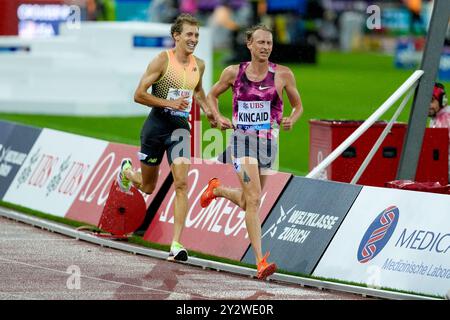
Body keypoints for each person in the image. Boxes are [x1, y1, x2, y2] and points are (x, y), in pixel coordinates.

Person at [201, 24, 303, 280]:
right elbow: (211, 96)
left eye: (269, 43)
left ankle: (217, 189)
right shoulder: (233, 73)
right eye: (261, 43)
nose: (265, 47)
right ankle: (260, 260)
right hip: (241, 142)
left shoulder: (283, 75)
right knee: (255, 199)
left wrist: (292, 119)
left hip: (269, 145)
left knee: (249, 201)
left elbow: (298, 106)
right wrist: (217, 116)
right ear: (249, 44)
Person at [117, 14, 216, 262]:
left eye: (196, 35)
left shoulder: (199, 65)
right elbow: (138, 94)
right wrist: (168, 102)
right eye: (189, 34)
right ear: (177, 36)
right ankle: (127, 172)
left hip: (180, 130)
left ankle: (177, 244)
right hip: (155, 127)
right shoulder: (163, 60)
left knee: (181, 183)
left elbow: (199, 92)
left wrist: (211, 113)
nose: (194, 39)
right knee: (149, 187)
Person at [428, 82, 450, 183]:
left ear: (442, 100)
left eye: (431, 100)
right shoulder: (438, 116)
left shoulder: (445, 119)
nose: (427, 105)